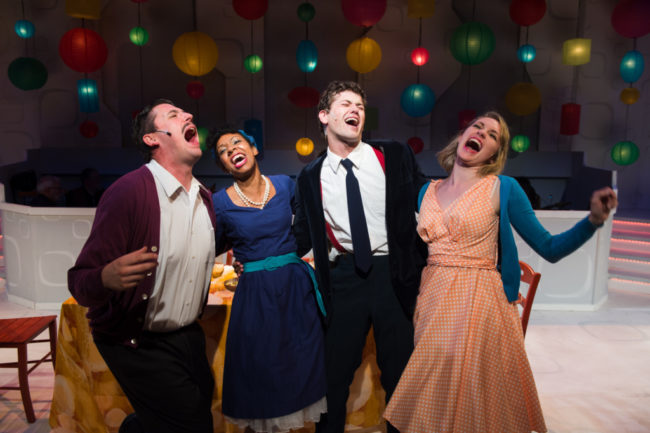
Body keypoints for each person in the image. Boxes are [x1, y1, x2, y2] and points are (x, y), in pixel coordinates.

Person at [383, 111, 617, 433]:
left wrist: (593, 221)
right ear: (463, 134)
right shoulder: (426, 192)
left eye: (493, 135)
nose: (482, 133)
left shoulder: (502, 188)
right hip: (433, 300)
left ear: (496, 152)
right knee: (431, 395)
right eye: (478, 126)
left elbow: (549, 248)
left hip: (479, 302)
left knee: (471, 401)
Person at [68, 99, 217, 433]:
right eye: (175, 115)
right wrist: (105, 277)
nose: (189, 115)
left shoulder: (204, 198)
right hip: (138, 340)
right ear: (153, 138)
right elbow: (80, 281)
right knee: (193, 424)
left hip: (187, 335)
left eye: (187, 113)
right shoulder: (129, 192)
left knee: (197, 404)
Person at [292, 80, 428, 433]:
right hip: (344, 278)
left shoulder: (393, 155)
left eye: (360, 106)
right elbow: (300, 236)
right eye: (345, 104)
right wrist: (255, 256)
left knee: (400, 375)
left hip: (393, 274)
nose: (355, 110)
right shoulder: (309, 176)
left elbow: (428, 201)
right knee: (332, 378)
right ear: (324, 115)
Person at [207, 127, 327, 432]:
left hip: (296, 291)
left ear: (253, 149)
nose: (231, 149)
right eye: (222, 150)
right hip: (256, 296)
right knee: (260, 369)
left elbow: (306, 228)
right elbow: (216, 244)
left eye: (237, 142)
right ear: (223, 165)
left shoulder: (286, 186)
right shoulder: (219, 203)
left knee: (301, 364)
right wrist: (246, 263)